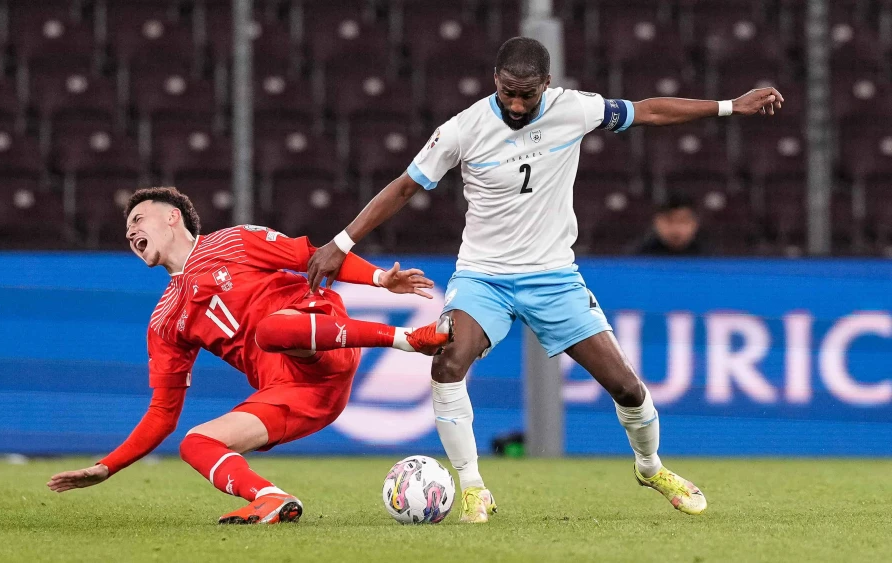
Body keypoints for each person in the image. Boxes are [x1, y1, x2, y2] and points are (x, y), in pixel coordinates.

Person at [308, 37, 784, 522]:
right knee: (448, 362)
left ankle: (651, 467)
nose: (516, 104)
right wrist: (341, 243)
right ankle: (473, 486)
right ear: (495, 80)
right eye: (509, 92)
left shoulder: (573, 109)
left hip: (553, 277)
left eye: (527, 95)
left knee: (627, 389)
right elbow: (406, 186)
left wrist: (730, 106)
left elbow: (650, 111)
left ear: (547, 86)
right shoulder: (461, 130)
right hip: (483, 277)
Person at [47, 187, 452, 525]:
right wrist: (107, 466)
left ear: (173, 217)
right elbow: (163, 413)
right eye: (127, 227)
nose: (130, 231)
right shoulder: (165, 321)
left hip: (319, 342)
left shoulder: (233, 242)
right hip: (301, 397)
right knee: (197, 443)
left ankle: (409, 338)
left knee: (270, 329)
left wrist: (381, 279)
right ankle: (271, 498)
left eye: (137, 219)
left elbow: (314, 256)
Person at [632, 192, 706, 255]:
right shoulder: (636, 258)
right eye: (669, 221)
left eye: (683, 221)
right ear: (657, 222)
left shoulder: (711, 257)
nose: (676, 228)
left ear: (694, 223)